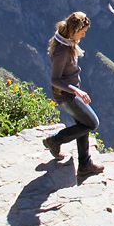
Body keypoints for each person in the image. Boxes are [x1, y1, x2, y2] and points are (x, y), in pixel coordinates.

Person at [42, 11, 104, 178]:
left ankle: (85, 164)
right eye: (82, 32)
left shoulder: (67, 43)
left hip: (69, 93)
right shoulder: (62, 51)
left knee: (83, 125)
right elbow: (55, 79)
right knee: (92, 123)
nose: (83, 36)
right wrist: (76, 90)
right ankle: (54, 140)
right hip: (66, 95)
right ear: (73, 31)